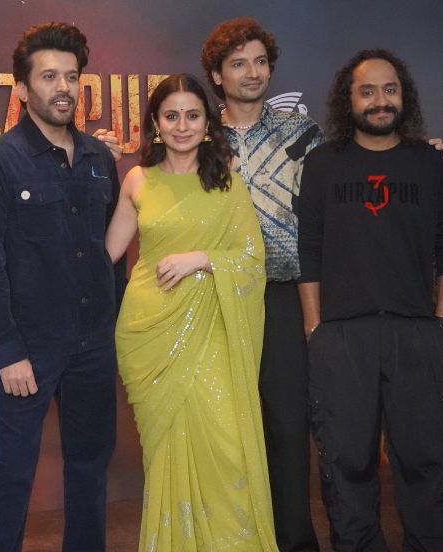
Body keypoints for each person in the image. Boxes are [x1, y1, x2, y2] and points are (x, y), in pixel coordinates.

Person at [0, 22, 121, 552]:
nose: (63, 88)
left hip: (93, 344)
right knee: (12, 470)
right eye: (49, 76)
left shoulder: (99, 158)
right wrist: (7, 351)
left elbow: (110, 254)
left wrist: (112, 328)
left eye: (71, 77)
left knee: (90, 467)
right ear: (23, 89)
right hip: (28, 350)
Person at [105, 73, 276, 551]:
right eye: (171, 116)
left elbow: (252, 260)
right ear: (156, 124)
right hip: (147, 333)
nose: (182, 126)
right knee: (165, 454)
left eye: (192, 115)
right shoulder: (138, 179)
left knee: (226, 446)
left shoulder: (228, 183)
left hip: (213, 326)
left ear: (208, 123)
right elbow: (107, 255)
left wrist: (202, 259)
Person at [297, 49, 443, 551]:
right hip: (341, 335)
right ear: (349, 100)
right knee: (347, 463)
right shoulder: (322, 163)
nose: (380, 101)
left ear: (404, 96)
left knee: (427, 461)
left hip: (416, 332)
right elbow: (309, 249)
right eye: (367, 91)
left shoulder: (432, 163)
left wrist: (441, 322)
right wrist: (315, 328)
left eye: (390, 89)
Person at [200, 18, 323, 552]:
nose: (252, 73)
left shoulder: (302, 133)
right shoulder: (198, 135)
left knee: (288, 423)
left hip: (283, 293)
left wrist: (421, 150)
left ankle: (293, 540)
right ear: (216, 75)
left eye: (260, 62)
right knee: (223, 425)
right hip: (213, 294)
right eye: (238, 64)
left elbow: (341, 191)